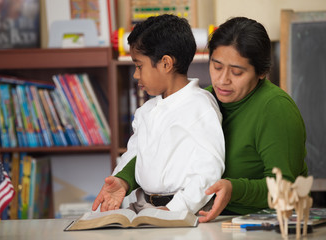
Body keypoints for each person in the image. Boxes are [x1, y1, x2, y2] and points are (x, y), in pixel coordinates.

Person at [93, 16, 308, 222]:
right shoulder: (205, 97)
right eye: (216, 66)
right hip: (206, 219)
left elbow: (286, 188)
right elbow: (157, 149)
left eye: (237, 72)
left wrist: (234, 189)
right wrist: (124, 180)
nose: (222, 80)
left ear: (261, 73)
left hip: (256, 221)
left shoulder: (275, 109)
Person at [92, 14, 225, 214]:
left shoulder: (200, 106)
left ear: (165, 63)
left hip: (183, 210)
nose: (136, 75)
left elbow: (209, 171)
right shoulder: (145, 111)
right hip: (144, 207)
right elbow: (134, 155)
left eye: (139, 66)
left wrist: (175, 209)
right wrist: (120, 179)